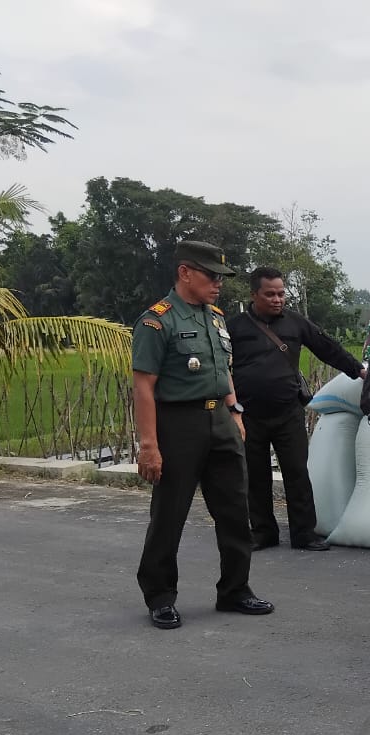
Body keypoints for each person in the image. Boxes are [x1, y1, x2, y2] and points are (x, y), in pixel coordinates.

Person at [131, 240, 274, 629]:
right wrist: (149, 445)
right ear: (185, 273)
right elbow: (144, 385)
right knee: (170, 514)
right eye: (211, 276)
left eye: (221, 278)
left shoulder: (215, 317)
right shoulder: (156, 321)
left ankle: (235, 589)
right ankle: (160, 596)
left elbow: (221, 367)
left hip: (221, 423)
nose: (218, 284)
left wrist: (234, 408)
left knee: (234, 509)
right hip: (179, 425)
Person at [226, 266, 366, 552]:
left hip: (287, 411)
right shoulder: (235, 327)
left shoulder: (295, 323)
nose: (278, 299)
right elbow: (219, 364)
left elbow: (327, 348)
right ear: (254, 295)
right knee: (256, 475)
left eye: (281, 294)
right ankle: (263, 532)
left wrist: (359, 371)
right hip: (249, 414)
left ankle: (304, 533)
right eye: (270, 294)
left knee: (297, 474)